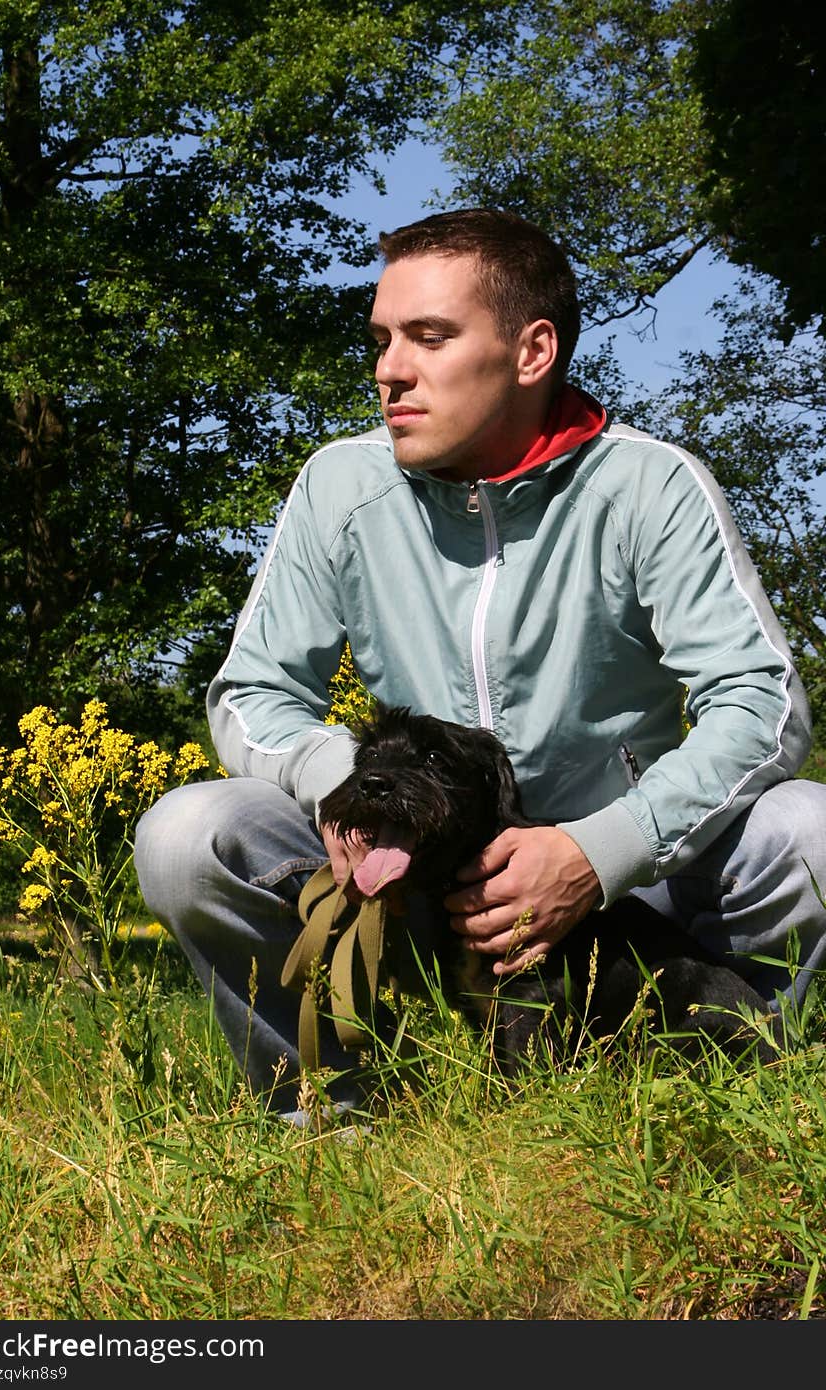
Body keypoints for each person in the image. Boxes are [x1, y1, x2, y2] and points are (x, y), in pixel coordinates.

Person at [134, 207, 826, 1120]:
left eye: (430, 336)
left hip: (630, 887)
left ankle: (738, 1098)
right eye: (382, 339)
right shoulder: (341, 485)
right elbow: (255, 690)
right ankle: (331, 1112)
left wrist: (598, 848)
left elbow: (762, 700)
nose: (390, 369)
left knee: (810, 830)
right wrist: (356, 789)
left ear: (532, 351)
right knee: (188, 836)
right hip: (404, 876)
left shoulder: (648, 487)